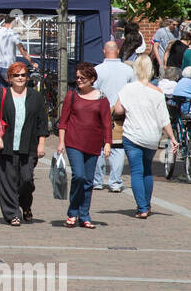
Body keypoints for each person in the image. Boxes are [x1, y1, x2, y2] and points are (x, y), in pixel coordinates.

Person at [112, 55, 176, 219]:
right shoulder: (158, 92)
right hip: (151, 137)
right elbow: (164, 119)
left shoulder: (128, 89)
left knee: (136, 171)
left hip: (132, 135)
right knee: (147, 171)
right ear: (151, 71)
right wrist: (172, 138)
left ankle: (142, 208)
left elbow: (118, 110)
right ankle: (146, 204)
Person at [0, 61, 48, 225]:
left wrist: (41, 144)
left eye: (23, 75)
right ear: (9, 78)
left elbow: (42, 123)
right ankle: (12, 213)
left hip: (28, 146)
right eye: (16, 75)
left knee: (26, 180)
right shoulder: (3, 94)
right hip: (7, 145)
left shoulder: (35, 97)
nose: (20, 78)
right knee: (8, 181)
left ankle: (26, 206)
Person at [56, 62, 112, 229]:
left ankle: (84, 214)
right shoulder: (71, 96)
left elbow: (107, 123)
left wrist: (107, 143)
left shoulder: (102, 99)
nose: (79, 80)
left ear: (92, 79)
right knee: (78, 176)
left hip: (93, 144)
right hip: (74, 142)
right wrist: (61, 142)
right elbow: (63, 122)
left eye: (83, 78)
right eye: (77, 77)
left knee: (88, 181)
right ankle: (73, 212)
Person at [94, 41, 135, 193]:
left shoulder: (97, 70)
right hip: (120, 113)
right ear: (117, 51)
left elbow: (93, 91)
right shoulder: (128, 70)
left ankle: (97, 180)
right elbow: (133, 90)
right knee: (117, 147)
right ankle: (115, 182)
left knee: (98, 147)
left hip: (100, 112)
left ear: (104, 51)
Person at [0, 16, 33, 88]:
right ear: (13, 22)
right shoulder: (13, 34)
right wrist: (32, 62)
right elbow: (23, 51)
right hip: (8, 68)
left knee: (2, 92)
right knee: (14, 90)